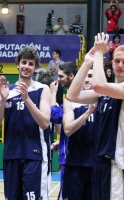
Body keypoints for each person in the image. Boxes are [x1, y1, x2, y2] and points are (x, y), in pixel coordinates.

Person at [66, 32, 124, 200]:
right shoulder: (106, 92)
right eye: (116, 61)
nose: (120, 65)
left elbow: (99, 85)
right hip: (100, 164)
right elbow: (72, 96)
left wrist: (99, 53)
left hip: (118, 166)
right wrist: (87, 62)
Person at [0, 47, 51, 200]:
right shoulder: (7, 91)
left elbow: (45, 123)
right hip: (11, 154)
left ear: (35, 67)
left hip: (34, 154)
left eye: (31, 64)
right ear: (17, 64)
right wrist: (2, 100)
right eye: (24, 62)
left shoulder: (42, 89)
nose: (26, 66)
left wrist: (26, 99)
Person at [62, 67, 96, 200]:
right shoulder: (71, 101)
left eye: (91, 75)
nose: (87, 79)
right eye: (85, 75)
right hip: (75, 164)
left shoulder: (104, 100)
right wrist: (87, 113)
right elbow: (68, 130)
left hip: (97, 166)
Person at [55, 61, 78, 199]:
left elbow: (54, 115)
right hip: (71, 156)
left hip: (71, 158)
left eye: (61, 76)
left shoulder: (77, 98)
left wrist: (52, 96)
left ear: (71, 76)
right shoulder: (69, 96)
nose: (58, 79)